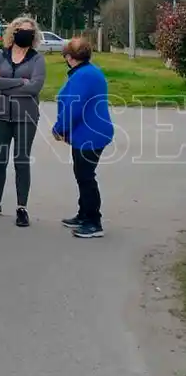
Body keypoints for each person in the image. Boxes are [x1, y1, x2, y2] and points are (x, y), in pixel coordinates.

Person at [0, 16, 47, 227]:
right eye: (22, 30)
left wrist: (3, 84)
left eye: (30, 31)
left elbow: (35, 87)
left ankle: (21, 208)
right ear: (13, 33)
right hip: (1, 114)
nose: (26, 34)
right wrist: (20, 81)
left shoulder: (37, 59)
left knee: (21, 161)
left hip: (26, 116)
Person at [52, 38, 113, 239]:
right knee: (82, 174)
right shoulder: (89, 71)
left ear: (70, 58)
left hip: (90, 134)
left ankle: (93, 222)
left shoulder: (83, 76)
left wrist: (59, 128)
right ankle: (83, 214)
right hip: (88, 132)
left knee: (86, 177)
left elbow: (74, 108)